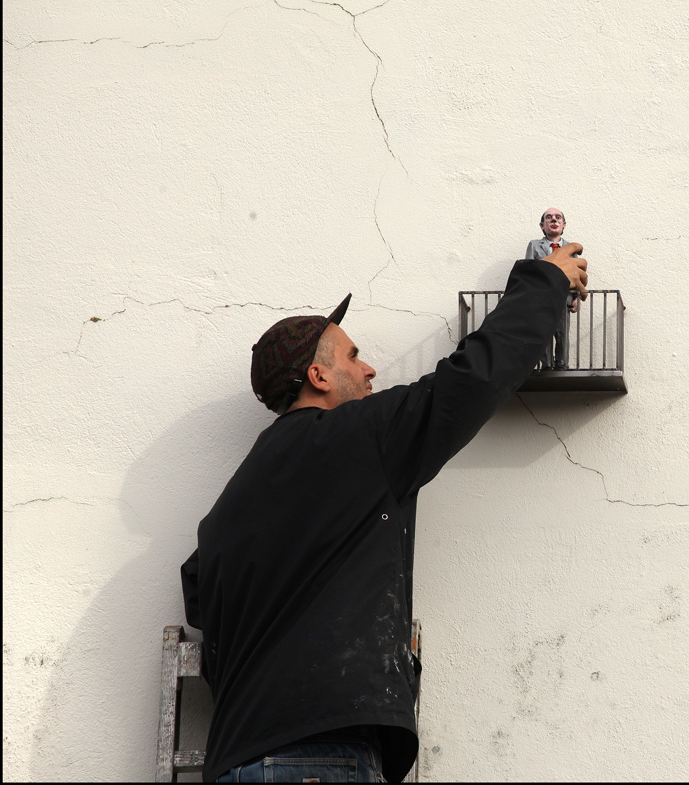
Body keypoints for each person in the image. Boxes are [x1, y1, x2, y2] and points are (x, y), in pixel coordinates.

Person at [180, 244, 588, 782]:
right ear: (318, 377)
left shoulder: (232, 501)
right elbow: (470, 381)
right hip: (317, 758)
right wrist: (545, 281)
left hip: (234, 761)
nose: (369, 368)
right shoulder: (359, 438)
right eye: (352, 356)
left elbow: (199, 590)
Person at [525, 207, 581, 369]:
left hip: (564, 297)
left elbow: (577, 273)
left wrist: (577, 297)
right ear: (543, 225)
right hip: (542, 297)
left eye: (558, 217)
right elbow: (528, 271)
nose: (554, 220)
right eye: (549, 217)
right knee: (544, 332)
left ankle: (562, 363)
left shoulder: (571, 248)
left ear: (564, 225)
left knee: (562, 332)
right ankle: (547, 364)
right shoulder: (535, 245)